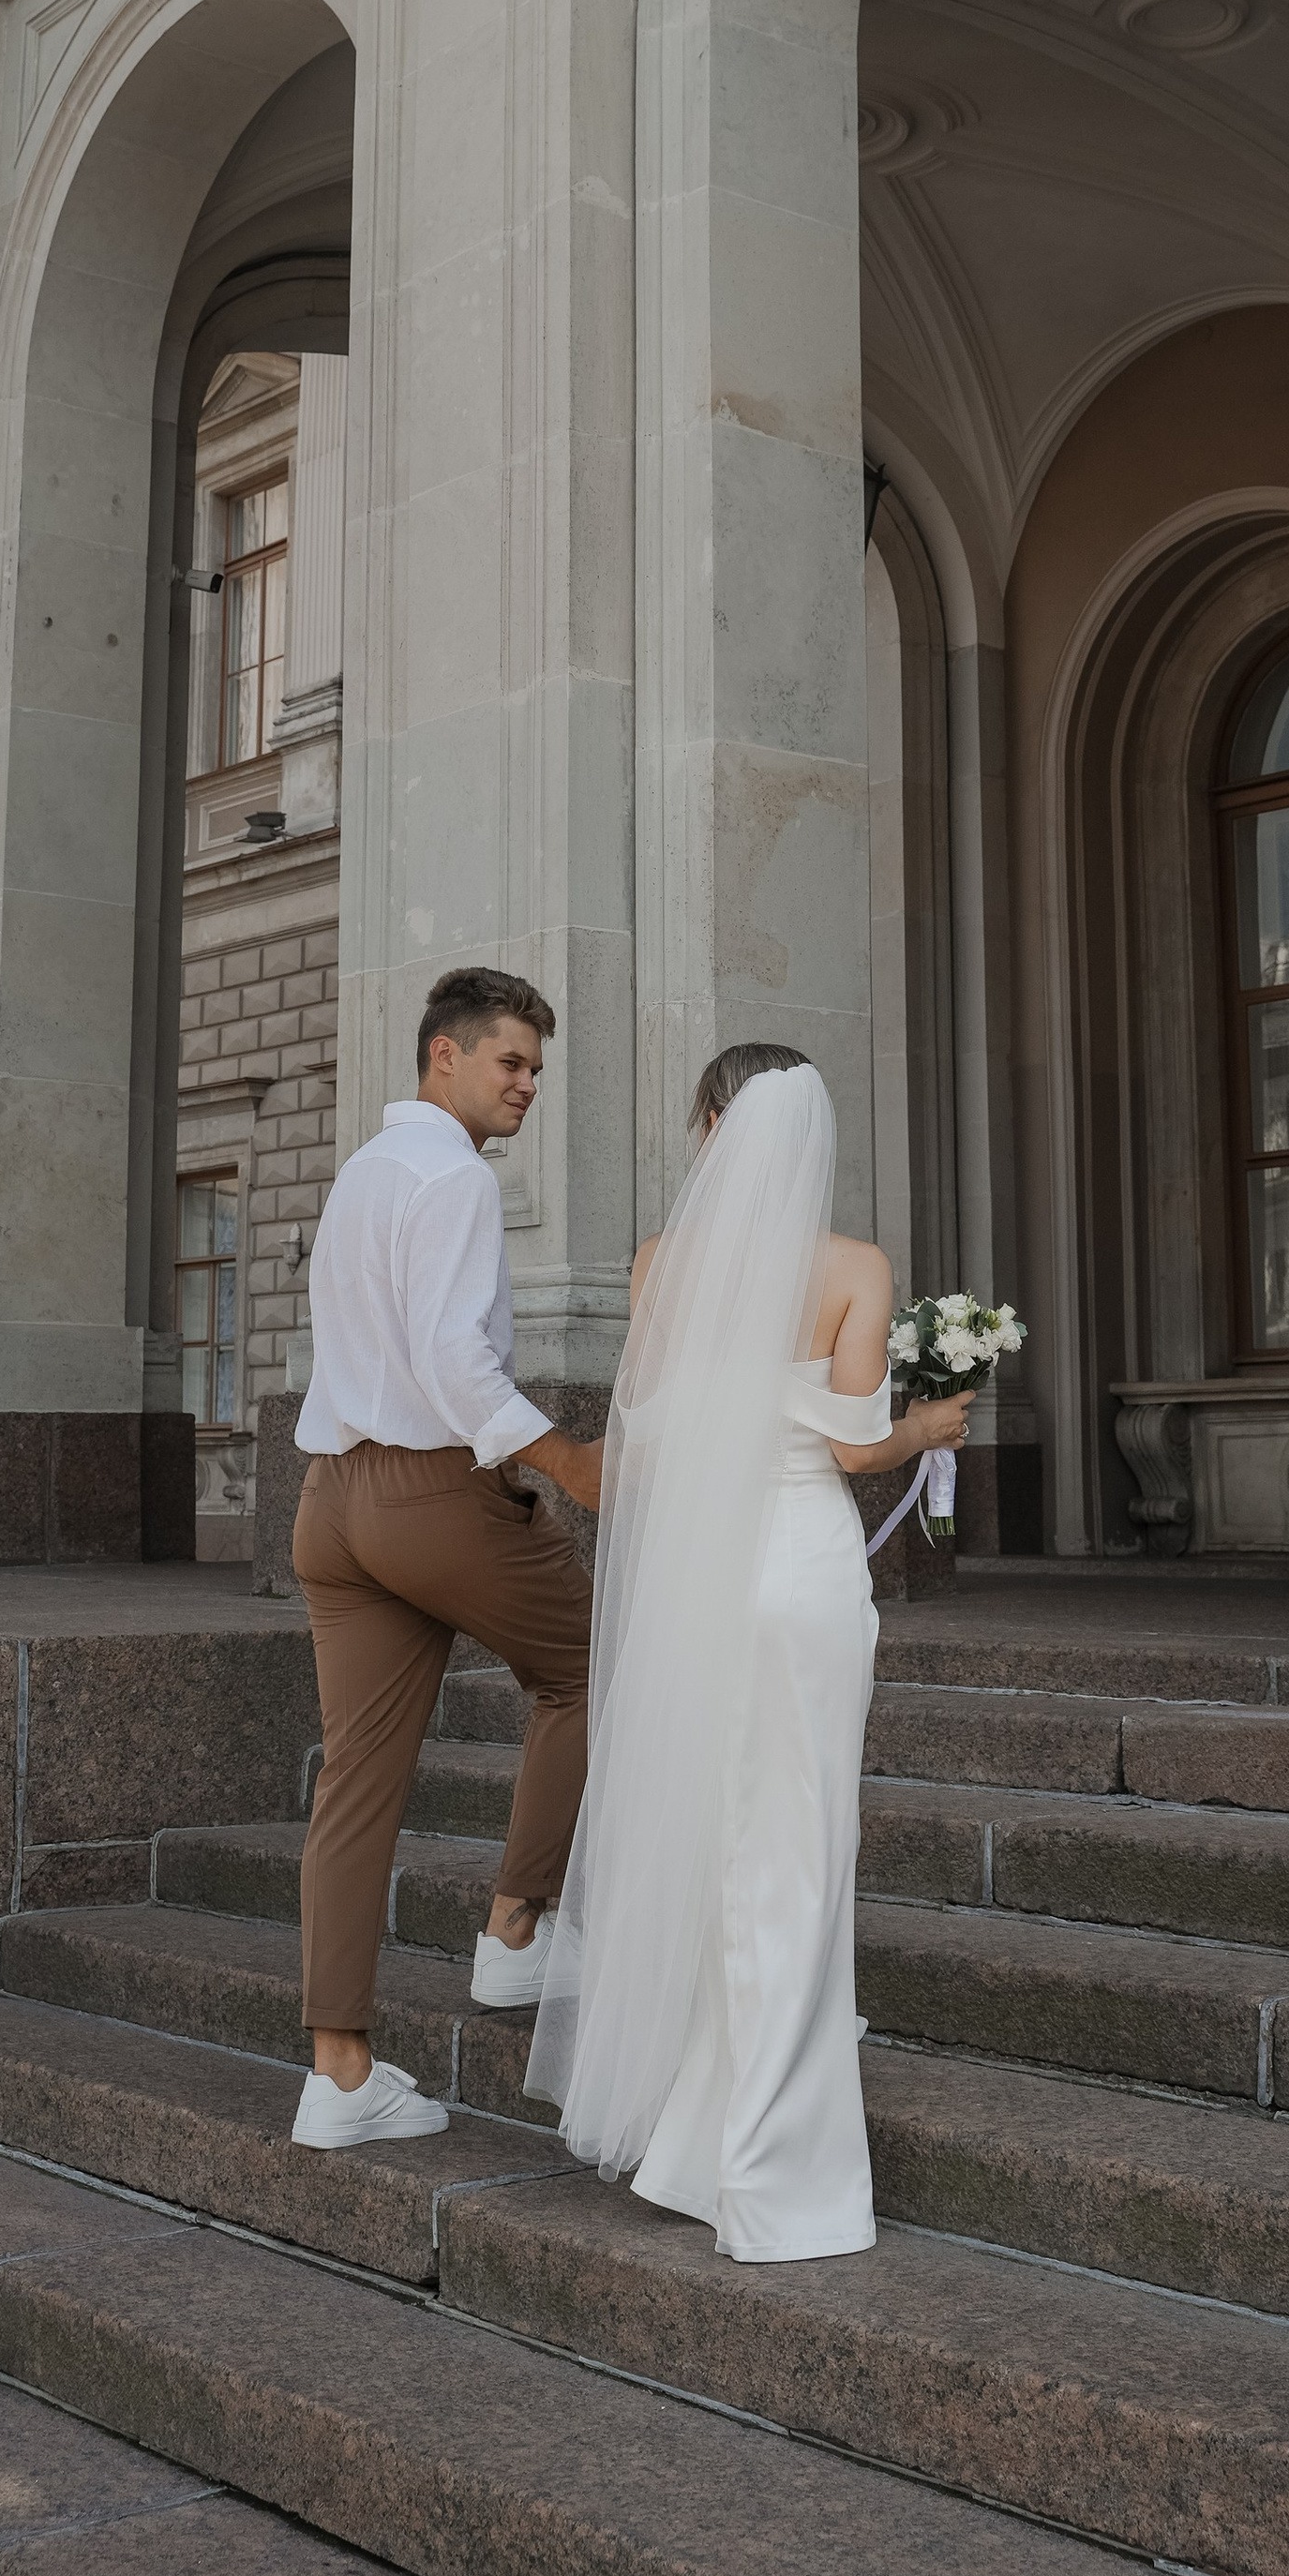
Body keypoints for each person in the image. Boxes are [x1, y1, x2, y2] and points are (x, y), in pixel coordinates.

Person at [527, 1042, 971, 2262]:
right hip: (811, 1577)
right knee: (806, 1854)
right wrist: (929, 1421)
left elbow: (657, 1432)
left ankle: (709, 2147)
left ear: (713, 1123)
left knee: (733, 1847)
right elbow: (858, 1445)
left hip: (715, 1577)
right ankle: (781, 2174)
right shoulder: (859, 1269)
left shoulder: (663, 1266)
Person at [288, 966, 603, 2151]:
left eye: (534, 1069)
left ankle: (340, 2073)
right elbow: (452, 1357)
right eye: (509, 1063)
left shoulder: (364, 1172)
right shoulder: (455, 1179)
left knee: (355, 1782)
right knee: (596, 1668)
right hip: (428, 1492)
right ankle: (516, 1934)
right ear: (445, 1058)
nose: (526, 1087)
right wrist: (569, 1463)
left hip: (331, 1503)